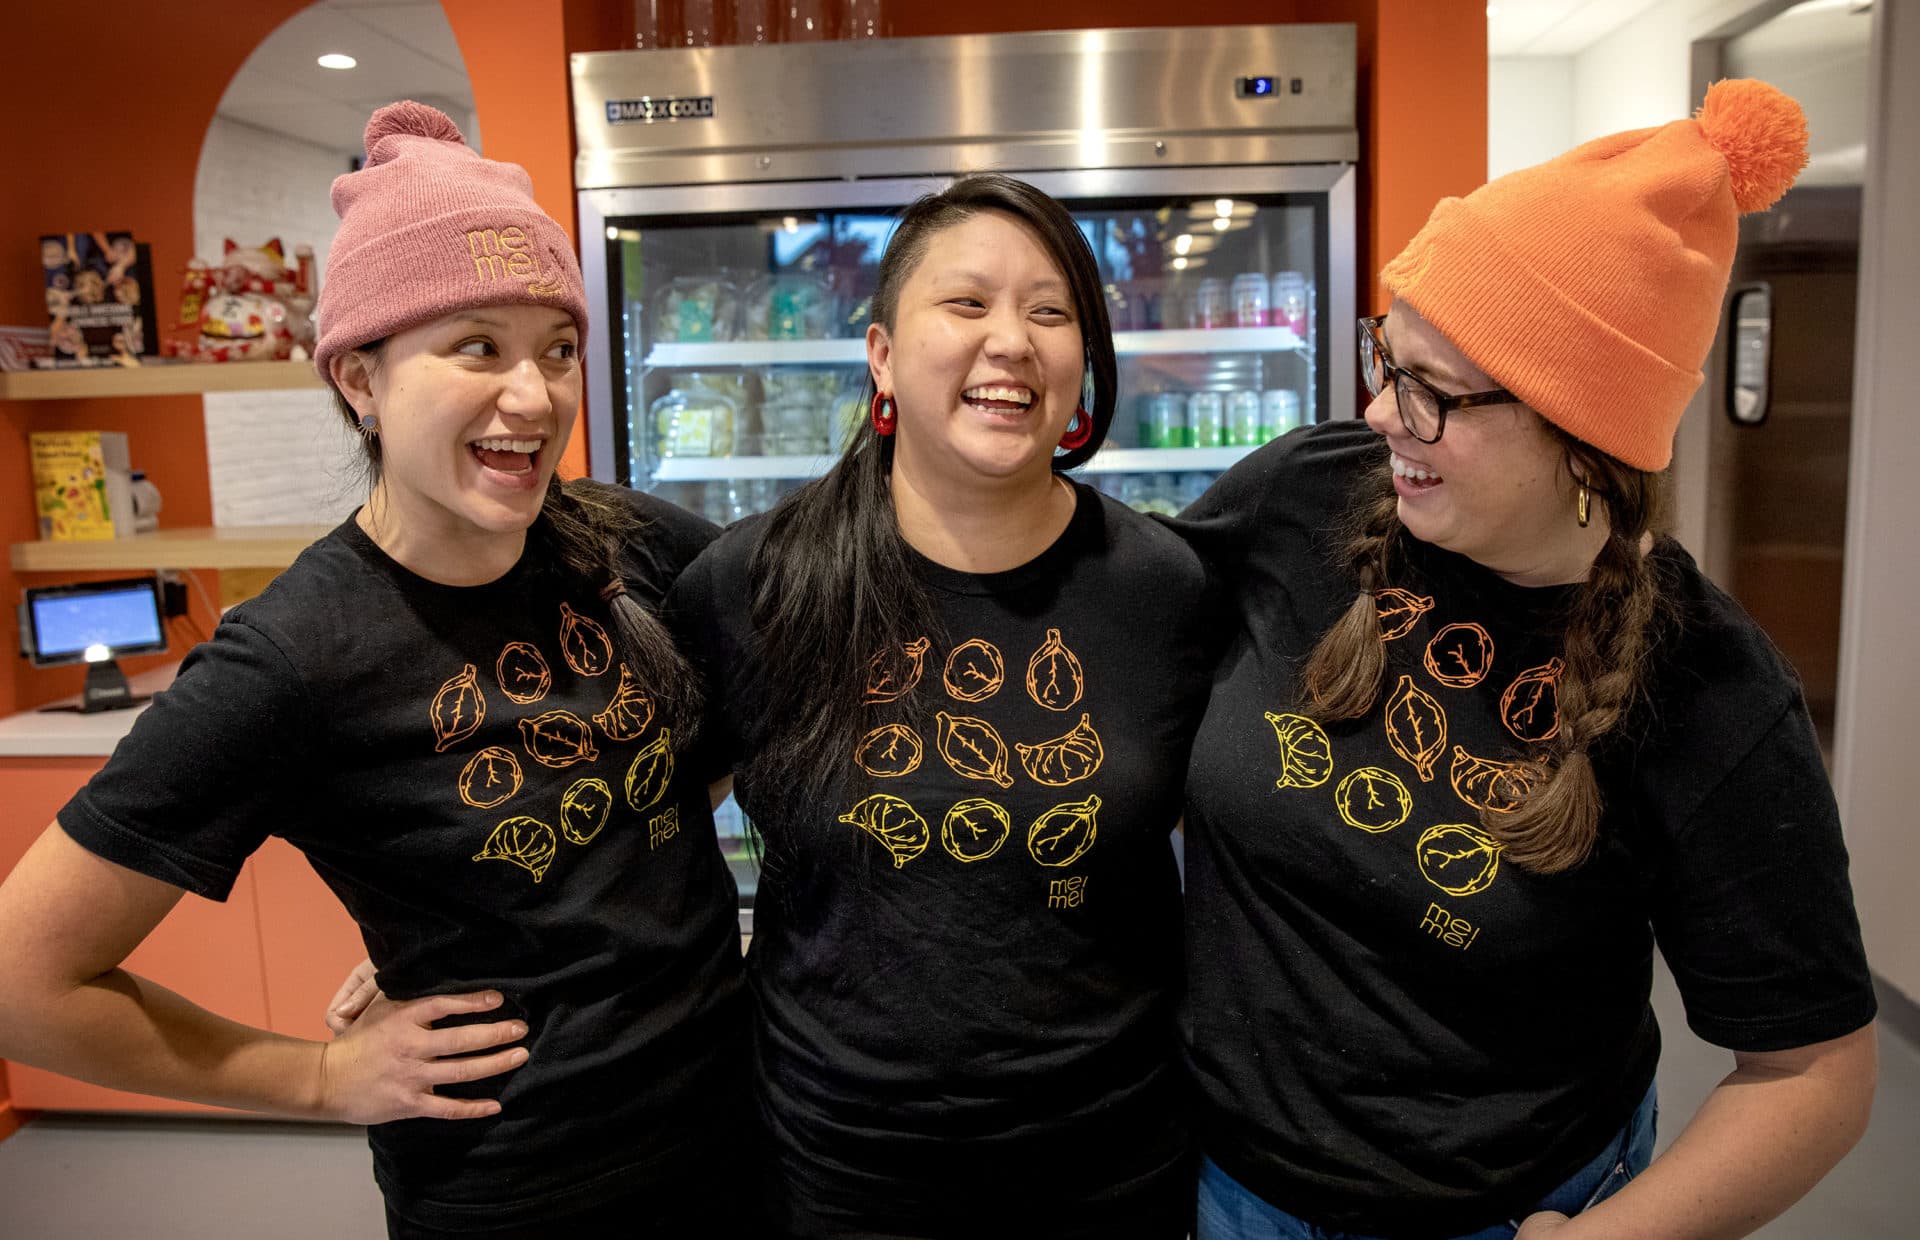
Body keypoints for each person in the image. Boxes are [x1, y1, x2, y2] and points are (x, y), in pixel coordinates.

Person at [0, 102, 747, 1239]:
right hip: (522, 1188)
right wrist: (314, 1077)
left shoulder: (622, 540)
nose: (534, 397)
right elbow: (22, 983)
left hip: (734, 1128)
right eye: (476, 346)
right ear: (359, 376)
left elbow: (723, 735)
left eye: (557, 349)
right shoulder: (291, 655)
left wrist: (492, 909)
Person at [1172, 79, 1879, 1240]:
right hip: (1226, 1187)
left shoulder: (1709, 689)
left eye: (1433, 392)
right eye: (1386, 358)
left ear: (1587, 441)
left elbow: (1816, 1077)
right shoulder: (1312, 490)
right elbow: (1119, 626)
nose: (1381, 410)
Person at [663, 173, 1213, 1237]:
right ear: (880, 354)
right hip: (836, 1171)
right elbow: (644, 819)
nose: (1011, 340)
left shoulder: (1164, 588)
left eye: (1050, 312)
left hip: (1112, 1165)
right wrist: (487, 935)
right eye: (966, 304)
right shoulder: (756, 587)